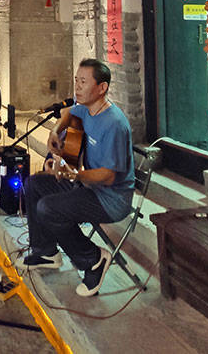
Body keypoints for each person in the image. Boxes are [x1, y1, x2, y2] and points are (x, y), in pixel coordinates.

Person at [21, 59, 134, 297]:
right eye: (76, 80)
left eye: (83, 81)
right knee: (33, 185)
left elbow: (108, 177)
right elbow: (69, 113)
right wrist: (55, 132)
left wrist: (73, 174)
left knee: (48, 208)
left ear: (102, 88)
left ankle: (93, 259)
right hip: (87, 185)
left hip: (110, 199)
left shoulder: (114, 124)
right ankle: (46, 252)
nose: (77, 86)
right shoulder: (86, 108)